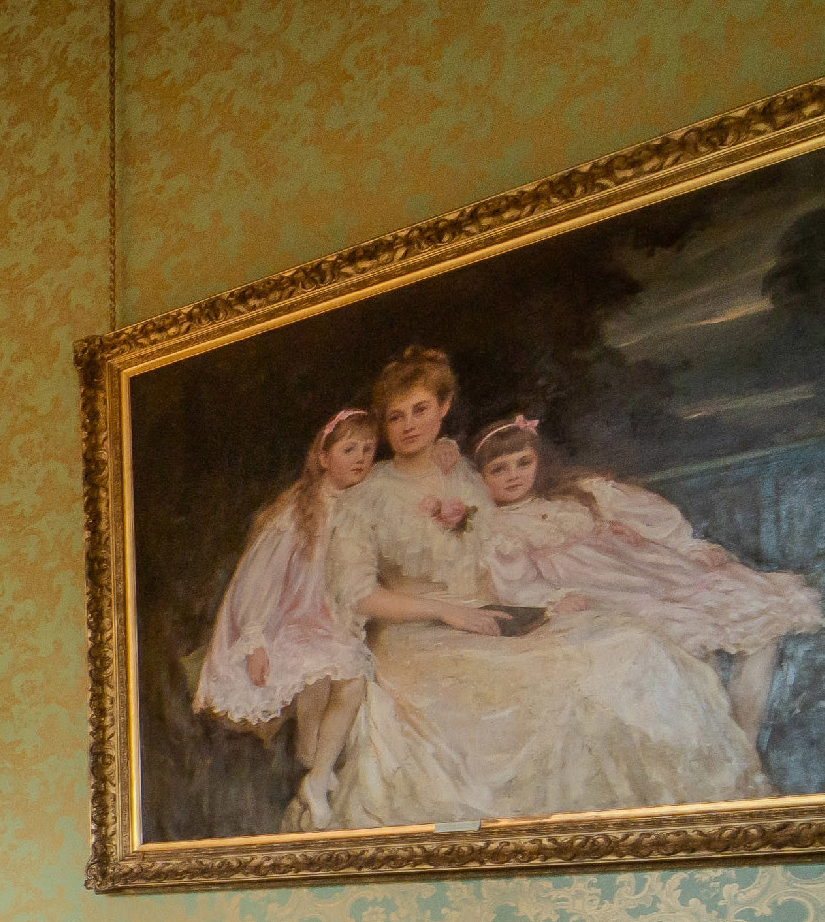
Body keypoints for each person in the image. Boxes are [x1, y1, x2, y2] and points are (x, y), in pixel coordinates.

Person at [314, 345, 770, 829]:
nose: (409, 425)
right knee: (557, 683)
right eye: (395, 416)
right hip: (417, 640)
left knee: (632, 644)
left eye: (420, 409)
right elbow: (358, 595)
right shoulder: (363, 497)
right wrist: (448, 612)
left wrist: (542, 601)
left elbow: (505, 552)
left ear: (444, 407)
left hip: (493, 615)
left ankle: (678, 817)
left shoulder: (464, 473)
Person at [470, 412, 823, 737]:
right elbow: (515, 583)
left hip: (651, 572)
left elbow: (655, 519)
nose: (514, 475)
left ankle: (743, 735)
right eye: (498, 469)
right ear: (480, 478)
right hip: (607, 595)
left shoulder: (577, 495)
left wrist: (683, 546)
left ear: (539, 461)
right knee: (693, 651)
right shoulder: (499, 529)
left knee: (759, 625)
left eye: (523, 463)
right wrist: (554, 599)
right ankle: (719, 743)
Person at [192, 406, 383, 826]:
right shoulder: (297, 511)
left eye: (369, 449)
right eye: (349, 449)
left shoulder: (367, 502)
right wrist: (254, 640)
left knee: (349, 681)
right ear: (323, 457)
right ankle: (315, 770)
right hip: (290, 625)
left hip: (335, 624)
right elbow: (259, 579)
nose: (360, 459)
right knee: (322, 683)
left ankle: (317, 776)